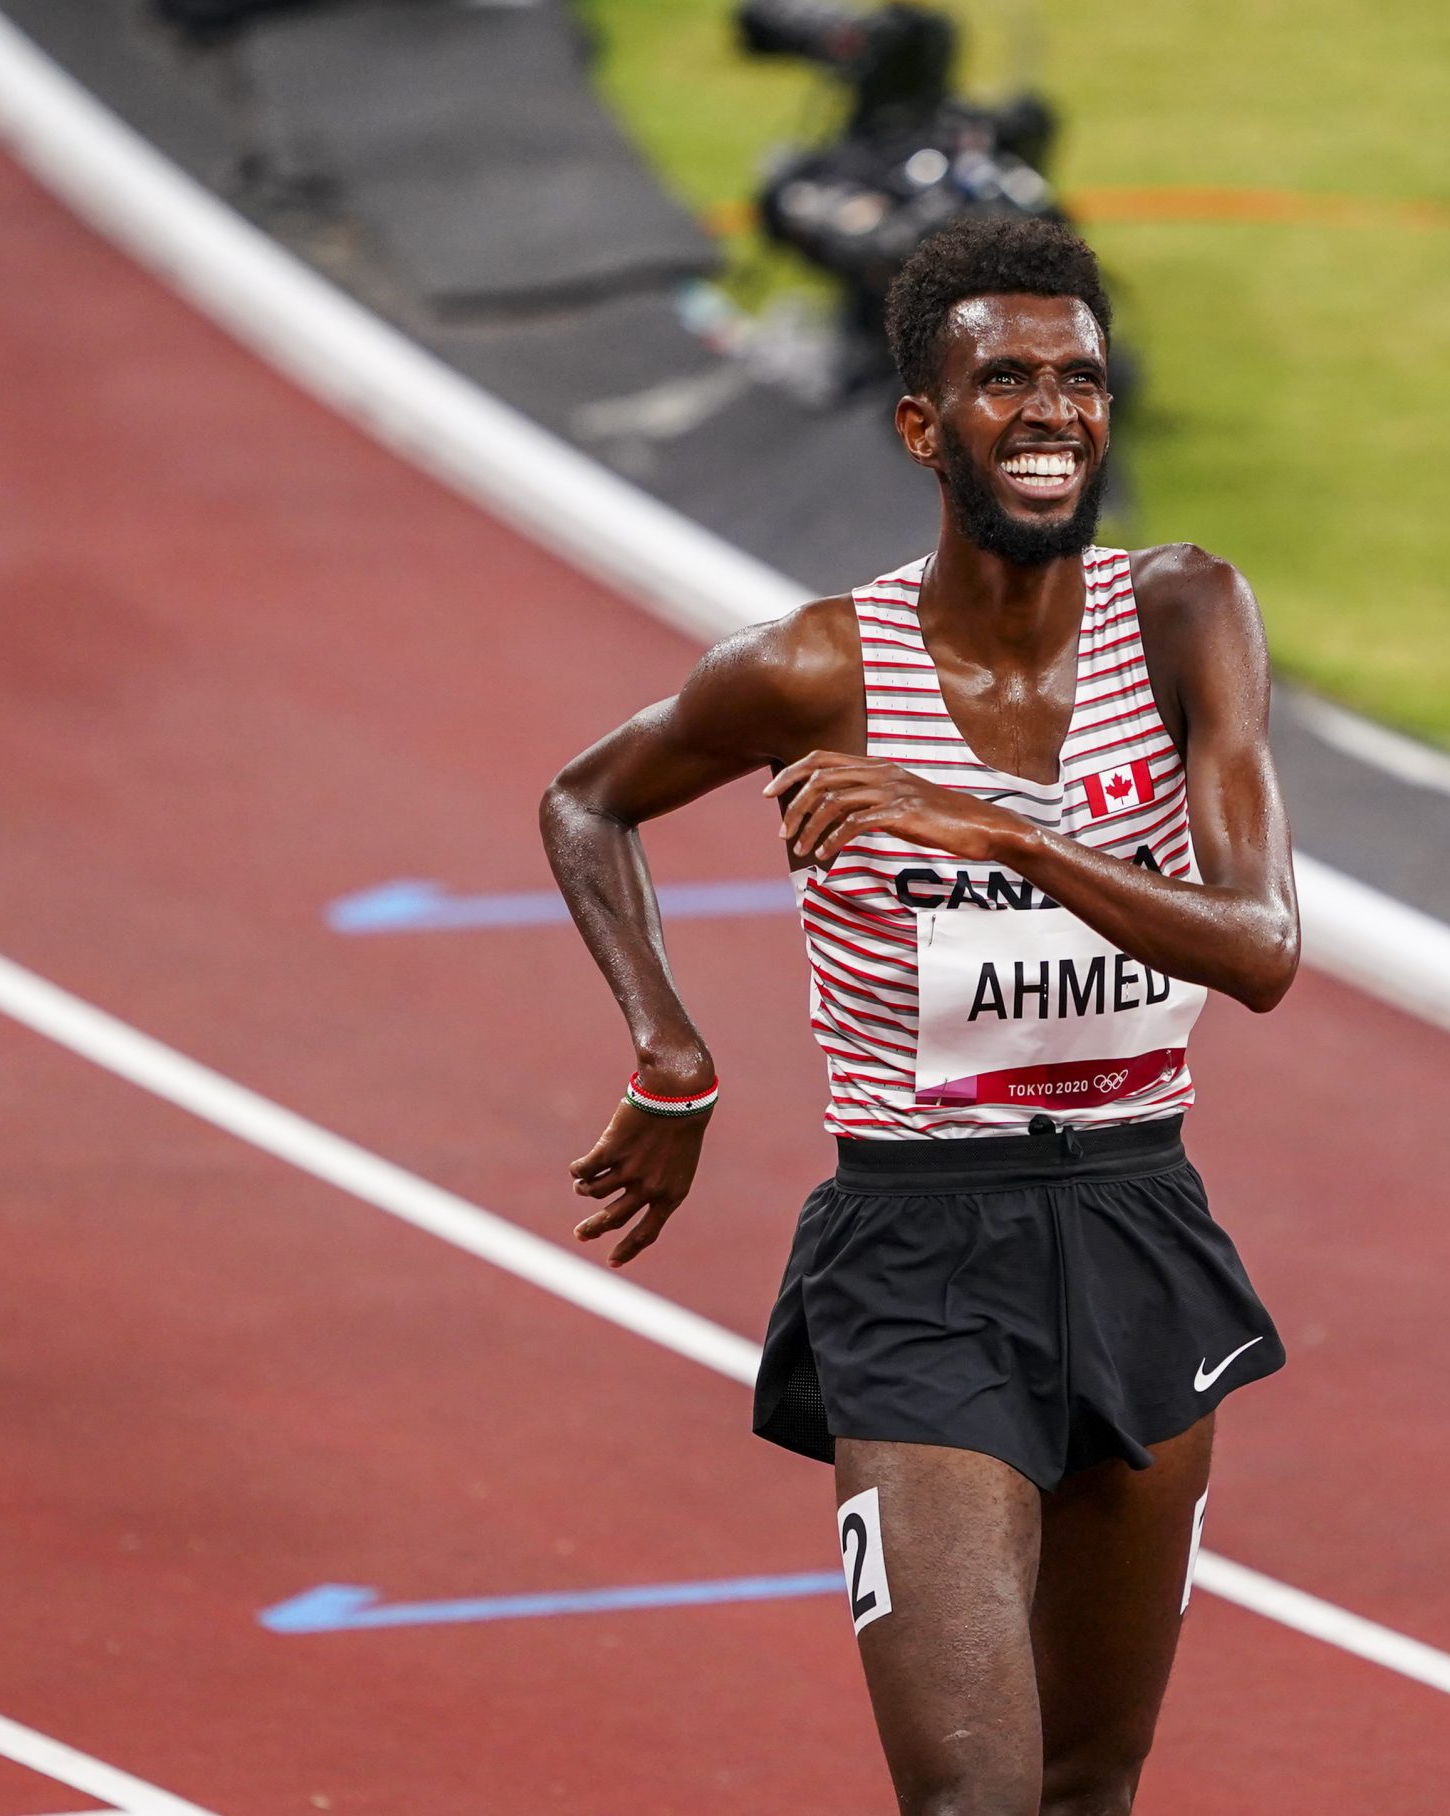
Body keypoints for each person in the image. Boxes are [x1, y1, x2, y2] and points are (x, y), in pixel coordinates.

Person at [540, 214, 1298, 1816]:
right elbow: (587, 801)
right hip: (921, 1251)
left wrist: (1001, 831)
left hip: (1139, 1222)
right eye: (1005, 379)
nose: (1052, 410)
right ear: (920, 425)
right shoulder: (820, 668)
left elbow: (1261, 947)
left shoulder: (1185, 617)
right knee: (973, 1802)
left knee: (1092, 1786)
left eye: (1079, 377)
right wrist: (671, 1055)